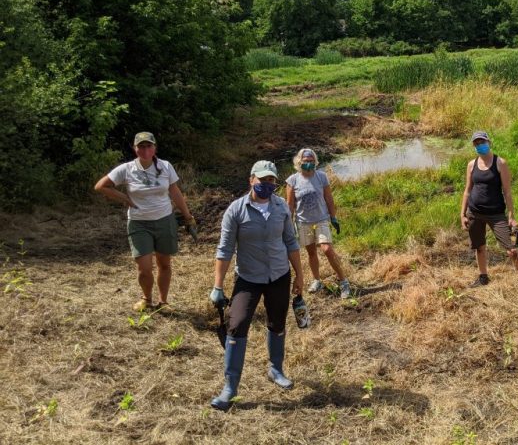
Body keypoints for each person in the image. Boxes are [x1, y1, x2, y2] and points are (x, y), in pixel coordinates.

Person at [209, 160, 304, 411]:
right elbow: (225, 249)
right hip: (248, 278)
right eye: (262, 180)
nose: (266, 184)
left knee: (277, 323)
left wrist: (300, 275)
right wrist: (218, 285)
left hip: (279, 276)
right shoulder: (236, 210)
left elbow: (291, 242)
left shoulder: (281, 207)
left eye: (271, 180)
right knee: (237, 324)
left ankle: (276, 369)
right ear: (251, 179)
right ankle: (230, 387)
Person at [95, 131, 196, 311]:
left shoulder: (165, 166)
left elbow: (174, 192)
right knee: (144, 267)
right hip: (139, 222)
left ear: (154, 148)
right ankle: (146, 299)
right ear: (135, 149)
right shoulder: (126, 169)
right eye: (141, 146)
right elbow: (101, 186)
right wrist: (124, 198)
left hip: (164, 220)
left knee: (164, 264)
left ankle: (163, 302)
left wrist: (187, 216)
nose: (145, 149)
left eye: (148, 146)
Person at [460, 131, 518, 288]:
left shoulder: (500, 163)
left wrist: (511, 215)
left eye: (482, 142)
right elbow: (467, 190)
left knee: (512, 249)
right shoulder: (471, 165)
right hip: (475, 212)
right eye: (476, 143)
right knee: (479, 246)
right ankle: (483, 277)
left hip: (496, 214)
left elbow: (507, 191)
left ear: (489, 142)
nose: (479, 145)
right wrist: (463, 214)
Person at [285, 148, 350, 299]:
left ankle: (343, 281)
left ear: (315, 162)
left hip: (321, 219)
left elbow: (329, 198)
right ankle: (316, 280)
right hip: (303, 222)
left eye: (311, 161)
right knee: (311, 252)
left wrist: (333, 217)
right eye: (306, 161)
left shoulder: (321, 177)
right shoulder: (292, 180)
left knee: (327, 249)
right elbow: (290, 205)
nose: (309, 164)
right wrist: (289, 224)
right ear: (299, 162)